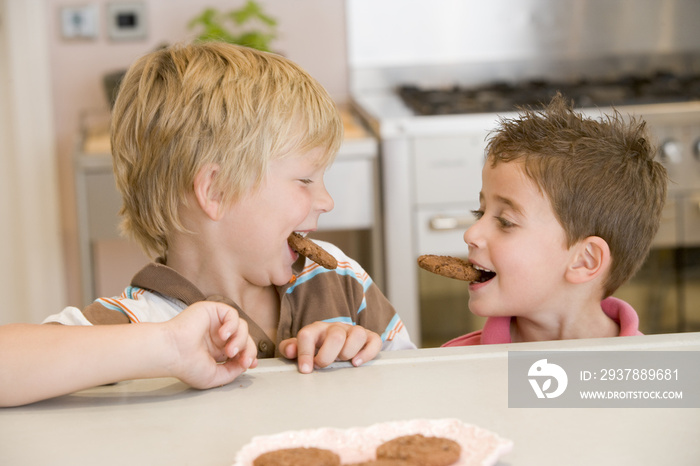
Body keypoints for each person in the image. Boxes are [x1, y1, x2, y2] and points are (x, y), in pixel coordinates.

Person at [44, 42, 414, 372]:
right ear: (216, 191)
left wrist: (366, 353)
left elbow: (415, 381)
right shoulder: (137, 323)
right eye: (305, 180)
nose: (326, 201)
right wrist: (163, 347)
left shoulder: (341, 282)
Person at [442, 93, 667, 346]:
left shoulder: (648, 375)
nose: (470, 234)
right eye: (480, 213)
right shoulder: (455, 365)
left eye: (505, 221)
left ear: (585, 259)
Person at [0, 301, 258, 407]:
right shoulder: (123, 318)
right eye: (300, 183)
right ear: (214, 194)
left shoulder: (300, 305)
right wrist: (169, 344)